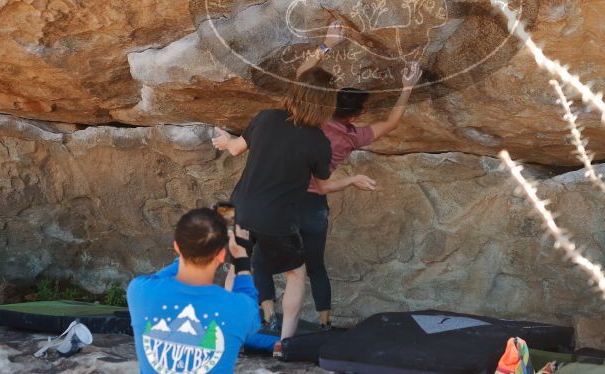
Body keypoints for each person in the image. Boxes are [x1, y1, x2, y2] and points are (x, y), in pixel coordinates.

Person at [255, 23, 422, 331]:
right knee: (316, 266)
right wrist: (407, 86)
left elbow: (302, 77)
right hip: (316, 205)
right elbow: (392, 123)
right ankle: (325, 322)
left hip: (287, 201)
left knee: (260, 259)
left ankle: (267, 315)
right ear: (356, 115)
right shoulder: (354, 137)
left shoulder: (311, 122)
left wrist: (328, 44)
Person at [211, 67, 375, 350]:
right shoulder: (318, 142)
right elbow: (322, 187)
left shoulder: (266, 118)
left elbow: (236, 148)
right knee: (296, 274)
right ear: (326, 105)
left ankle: (226, 336)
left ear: (295, 92)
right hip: (277, 218)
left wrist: (225, 140)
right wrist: (353, 180)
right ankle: (285, 345)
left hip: (236, 209)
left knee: (235, 269)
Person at [127, 208, 273, 374]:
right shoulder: (241, 309)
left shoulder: (138, 291)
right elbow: (249, 299)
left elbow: (159, 278)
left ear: (176, 247)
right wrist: (242, 259)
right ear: (221, 255)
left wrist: (195, 239)